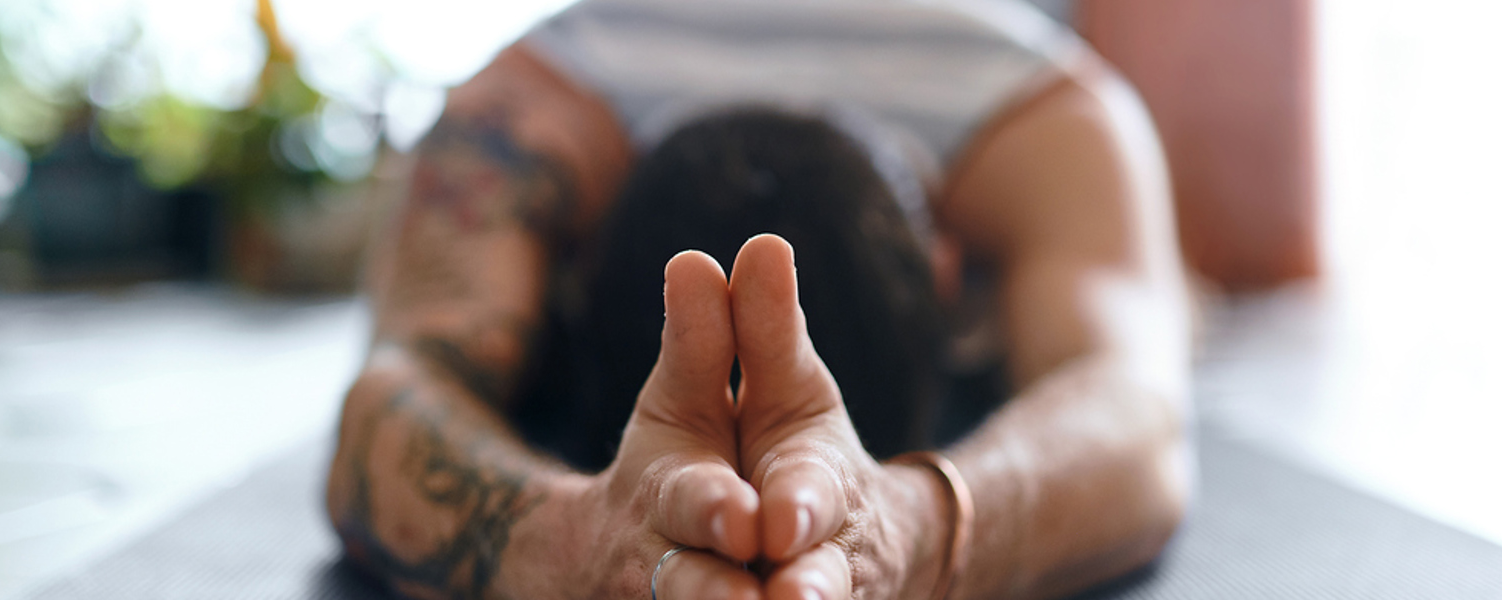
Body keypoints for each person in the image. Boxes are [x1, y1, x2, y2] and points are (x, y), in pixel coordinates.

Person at [324, 0, 1193, 598]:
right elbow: (396, 389)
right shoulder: (528, 110)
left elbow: (1138, 417)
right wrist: (578, 545)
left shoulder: (1047, 118)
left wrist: (905, 533)